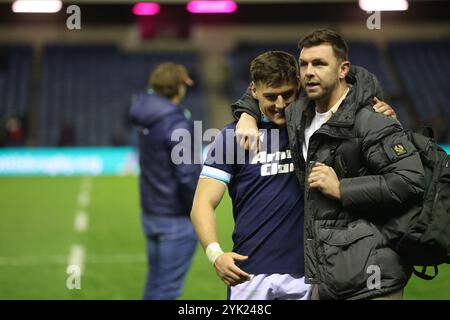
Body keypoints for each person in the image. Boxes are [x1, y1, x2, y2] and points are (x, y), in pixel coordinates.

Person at [231, 29, 424, 300]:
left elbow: (410, 181)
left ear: (344, 69)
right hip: (325, 280)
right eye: (304, 64)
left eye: (319, 63)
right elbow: (264, 89)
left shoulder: (372, 119)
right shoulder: (299, 113)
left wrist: (342, 188)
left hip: (371, 281)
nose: (309, 71)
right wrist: (246, 115)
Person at [190, 51, 310, 300]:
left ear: (298, 86)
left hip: (306, 274)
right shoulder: (233, 137)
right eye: (270, 96)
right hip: (248, 274)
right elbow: (202, 203)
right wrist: (216, 255)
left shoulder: (313, 128)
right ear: (254, 90)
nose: (280, 104)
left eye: (287, 94)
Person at [129, 62, 200, 300]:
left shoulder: (144, 116)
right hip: (175, 218)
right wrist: (198, 209)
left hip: (151, 213)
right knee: (167, 290)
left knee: (156, 283)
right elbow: (187, 174)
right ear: (180, 87)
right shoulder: (175, 123)